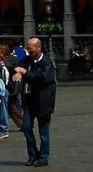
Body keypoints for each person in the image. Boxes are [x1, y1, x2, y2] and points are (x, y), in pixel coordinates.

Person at [13, 37, 55, 168]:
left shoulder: (47, 62)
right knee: (26, 127)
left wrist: (25, 73)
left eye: (30, 48)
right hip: (29, 100)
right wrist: (19, 73)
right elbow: (18, 66)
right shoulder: (27, 60)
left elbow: (42, 78)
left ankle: (43, 158)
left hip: (43, 101)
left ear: (39, 48)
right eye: (27, 48)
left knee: (44, 133)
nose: (28, 50)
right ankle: (32, 155)